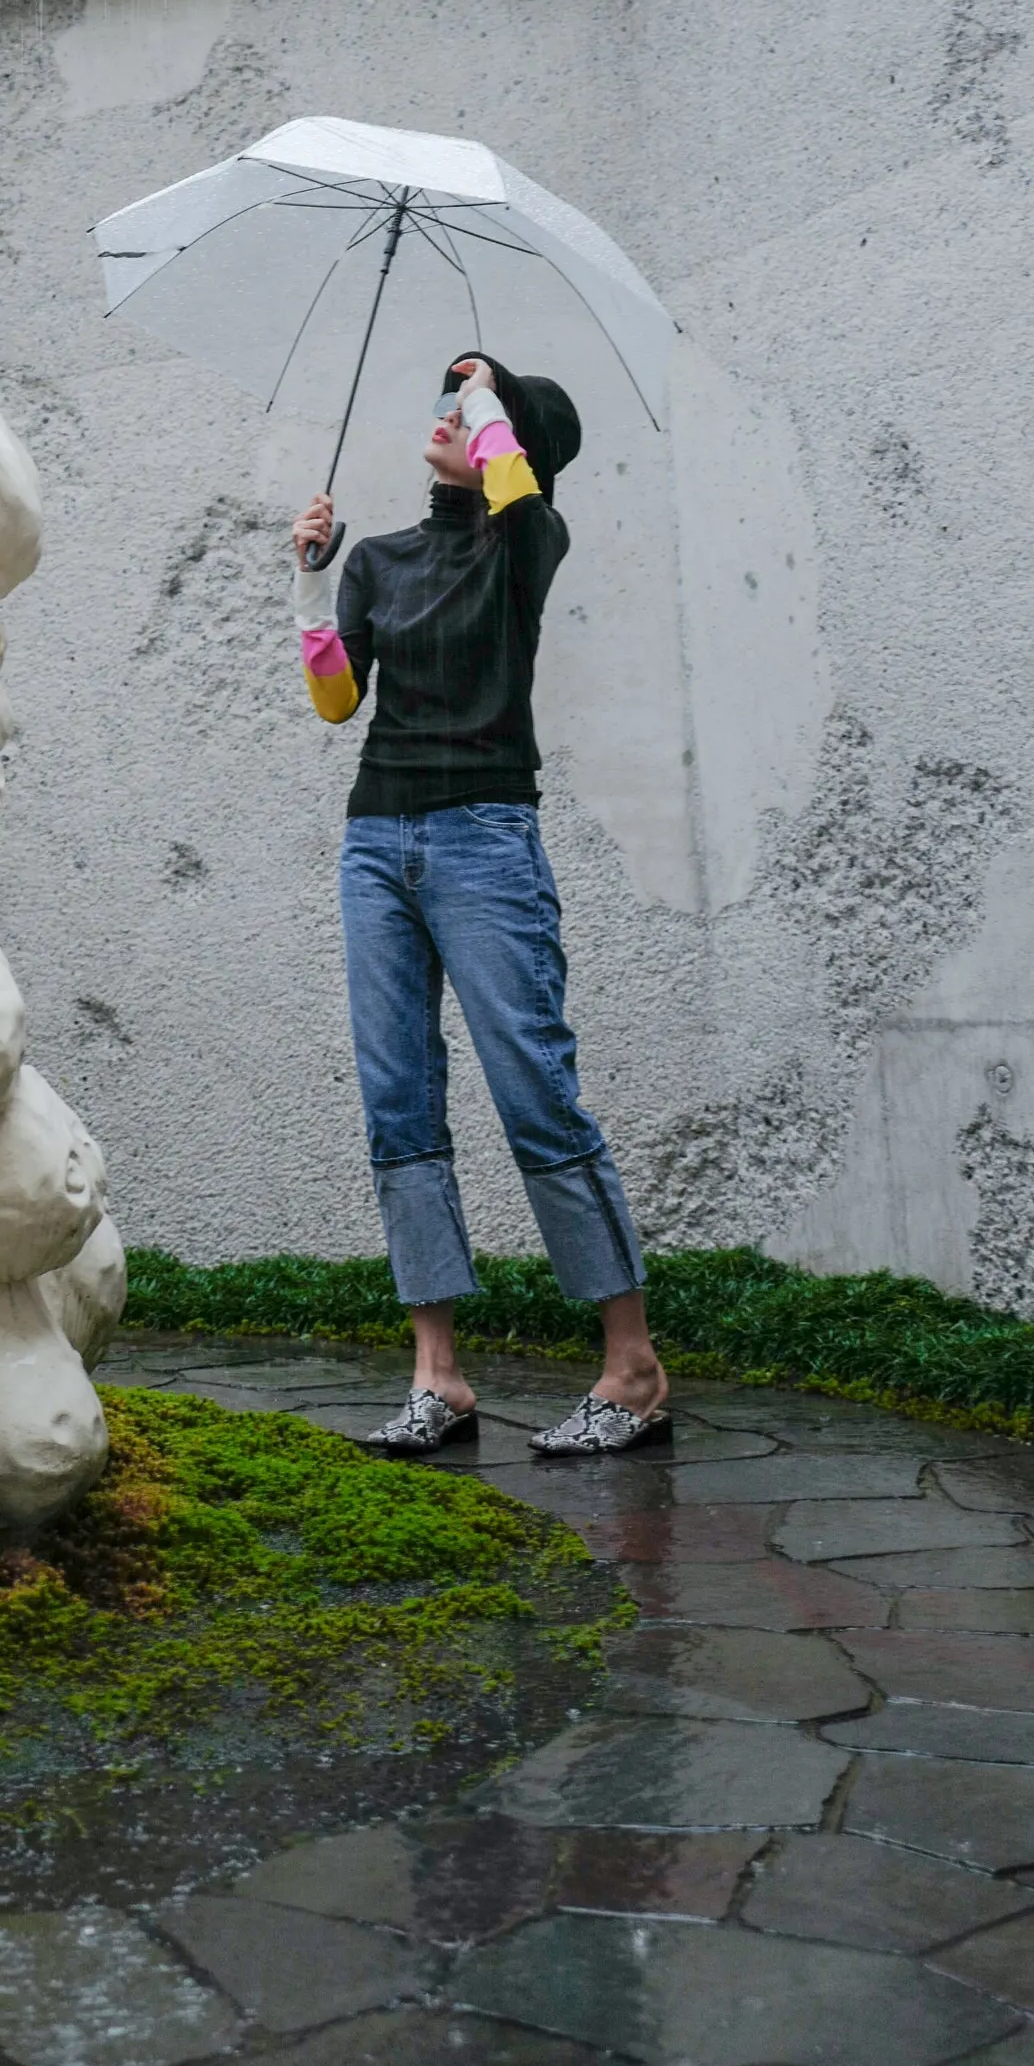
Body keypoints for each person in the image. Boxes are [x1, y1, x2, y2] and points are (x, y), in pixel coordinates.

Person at [292, 352, 668, 1460]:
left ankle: (631, 1368)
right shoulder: (381, 558)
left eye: (472, 410)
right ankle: (438, 1378)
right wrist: (311, 579)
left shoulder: (524, 542)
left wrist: (488, 384)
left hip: (482, 840)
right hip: (377, 841)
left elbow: (510, 477)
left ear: (511, 445)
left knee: (534, 1096)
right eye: (449, 403)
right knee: (397, 1104)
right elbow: (331, 700)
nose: (449, 416)